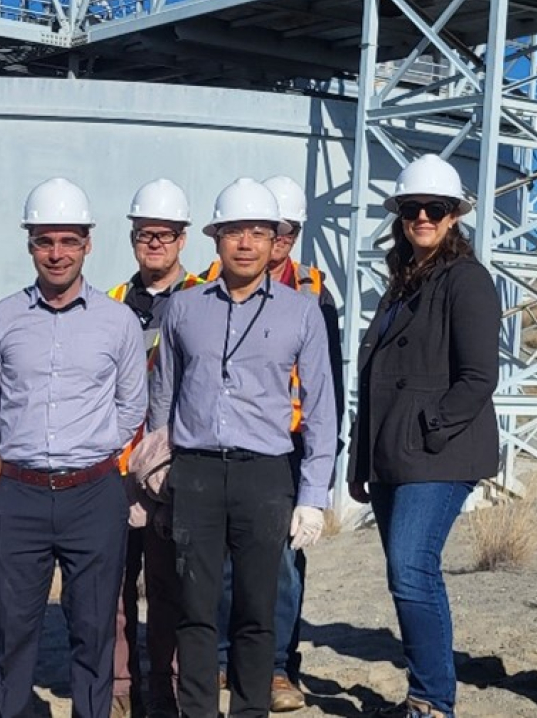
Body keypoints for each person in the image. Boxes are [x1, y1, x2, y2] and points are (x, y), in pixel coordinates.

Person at [148, 178, 337, 718]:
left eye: (259, 232)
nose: (247, 243)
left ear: (276, 240)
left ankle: (250, 712)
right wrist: (159, 472)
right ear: (216, 239)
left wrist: (312, 494)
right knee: (196, 610)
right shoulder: (183, 309)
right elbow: (165, 394)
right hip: (197, 474)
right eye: (235, 232)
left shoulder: (302, 312)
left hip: (266, 476)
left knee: (258, 612)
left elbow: (322, 407)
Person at [0, 177, 147, 718]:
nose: (57, 253)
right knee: (12, 629)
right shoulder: (1, 319)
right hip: (19, 494)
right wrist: (25, 452)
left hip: (93, 494)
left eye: (69, 241)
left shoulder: (118, 321)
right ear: (30, 245)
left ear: (88, 244)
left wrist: (89, 453)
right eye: (46, 241)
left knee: (93, 629)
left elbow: (131, 405)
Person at [347, 154, 500, 718]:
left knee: (412, 568)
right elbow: (376, 381)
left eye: (435, 209)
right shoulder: (402, 284)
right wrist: (360, 462)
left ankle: (434, 700)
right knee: (404, 574)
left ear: (454, 216)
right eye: (413, 209)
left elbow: (480, 376)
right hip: (393, 455)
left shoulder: (466, 280)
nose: (422, 217)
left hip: (438, 453)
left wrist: (428, 428)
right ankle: (423, 693)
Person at [212, 175, 345, 711]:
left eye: (286, 233)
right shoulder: (213, 285)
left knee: (285, 563)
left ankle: (279, 668)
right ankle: (224, 660)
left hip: (288, 449)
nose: (278, 241)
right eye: (273, 230)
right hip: (234, 446)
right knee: (223, 559)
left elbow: (327, 389)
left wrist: (320, 478)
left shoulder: (314, 291)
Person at [107, 178, 202, 718]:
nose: (155, 245)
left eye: (165, 235)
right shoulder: (113, 303)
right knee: (114, 591)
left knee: (169, 588)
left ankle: (167, 688)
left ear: (183, 240)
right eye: (146, 234)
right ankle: (121, 688)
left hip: (174, 472)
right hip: (116, 472)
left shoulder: (202, 303)